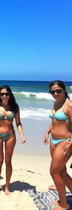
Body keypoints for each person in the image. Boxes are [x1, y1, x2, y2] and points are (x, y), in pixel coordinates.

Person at [0, 85, 26, 194]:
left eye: (6, 94)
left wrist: (22, 135)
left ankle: (7, 186)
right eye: (2, 94)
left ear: (10, 94)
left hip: (10, 135)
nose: (4, 96)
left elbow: (18, 123)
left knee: (8, 160)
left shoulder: (15, 107)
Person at [43, 80, 72, 210]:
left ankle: (64, 204)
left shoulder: (69, 105)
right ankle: (63, 198)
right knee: (62, 172)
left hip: (64, 142)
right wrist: (47, 131)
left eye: (58, 91)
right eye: (52, 92)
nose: (55, 93)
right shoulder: (56, 103)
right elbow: (55, 120)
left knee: (54, 171)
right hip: (53, 141)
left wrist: (70, 144)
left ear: (64, 90)